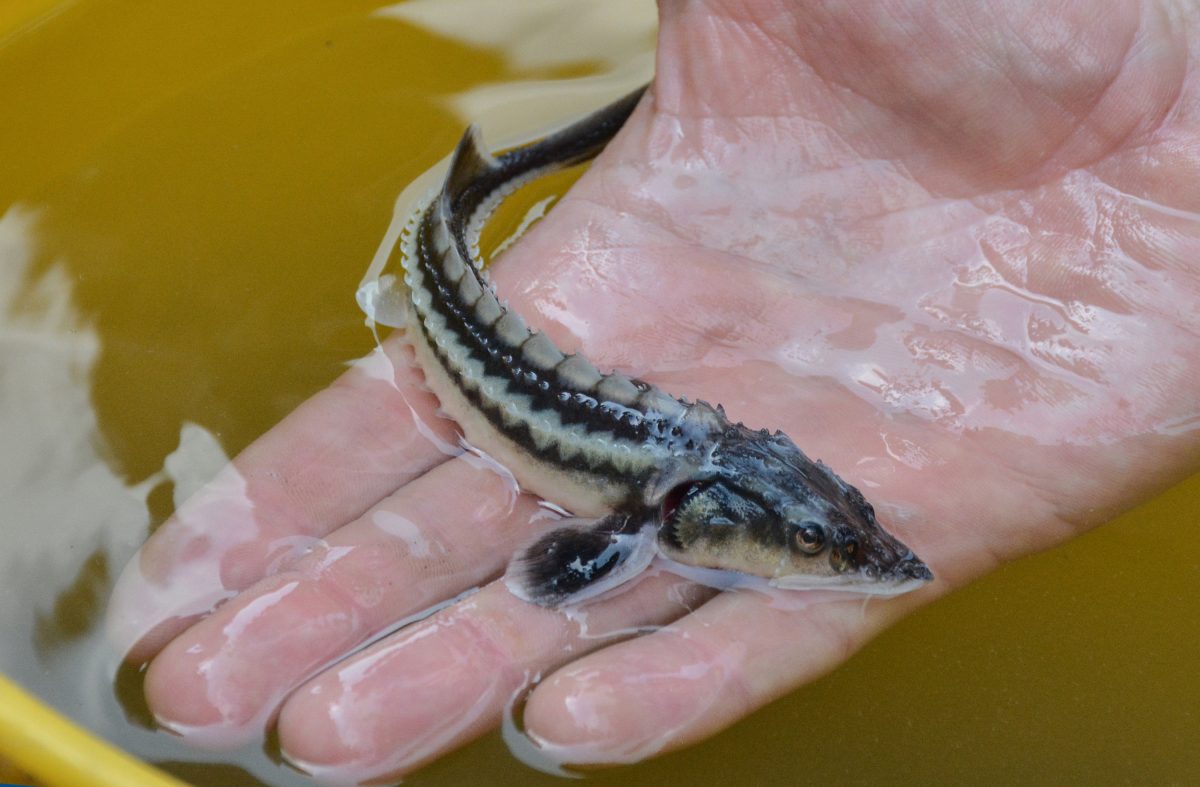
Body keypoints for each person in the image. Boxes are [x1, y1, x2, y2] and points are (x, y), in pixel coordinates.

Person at [107, 0, 1200, 781]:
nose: (859, 555)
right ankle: (464, 205)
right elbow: (555, 572)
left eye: (837, 532)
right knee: (447, 277)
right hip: (460, 315)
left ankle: (479, 189)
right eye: (818, 545)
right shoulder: (644, 513)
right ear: (686, 519)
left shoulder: (705, 489)